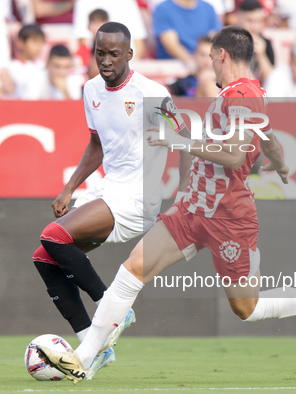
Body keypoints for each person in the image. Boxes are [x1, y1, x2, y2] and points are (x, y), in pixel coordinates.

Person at [36, 26, 296, 383]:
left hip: (230, 217)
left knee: (246, 309)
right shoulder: (243, 93)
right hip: (193, 209)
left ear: (222, 55)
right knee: (133, 269)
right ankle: (83, 358)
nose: (209, 66)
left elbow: (236, 156)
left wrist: (177, 141)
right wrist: (278, 161)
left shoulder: (244, 94)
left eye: (210, 58)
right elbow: (265, 136)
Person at [31, 21, 187, 379]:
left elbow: (184, 139)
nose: (105, 60)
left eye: (114, 54)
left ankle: (111, 307)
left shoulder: (151, 92)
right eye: (100, 53)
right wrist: (70, 188)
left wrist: (183, 194)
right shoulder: (90, 90)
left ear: (129, 54)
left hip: (139, 196)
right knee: (44, 257)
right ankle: (95, 344)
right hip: (109, 188)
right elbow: (97, 145)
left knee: (54, 235)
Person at [73, 0, 147, 59]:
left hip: (128, 64)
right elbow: (83, 42)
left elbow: (139, 42)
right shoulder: (84, 2)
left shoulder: (128, 3)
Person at [153, 0, 222, 61]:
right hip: (176, 66)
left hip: (206, 64)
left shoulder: (208, 8)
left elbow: (215, 40)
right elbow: (171, 46)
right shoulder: (163, 9)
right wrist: (194, 64)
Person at [236, 0, 274, 84]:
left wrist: (261, 55)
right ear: (239, 19)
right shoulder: (229, 41)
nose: (254, 26)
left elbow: (271, 82)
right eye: (250, 21)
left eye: (258, 21)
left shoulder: (266, 43)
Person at [7, 24, 47, 100]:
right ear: (21, 43)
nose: (39, 47)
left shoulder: (42, 66)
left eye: (41, 43)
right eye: (35, 42)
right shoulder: (12, 67)